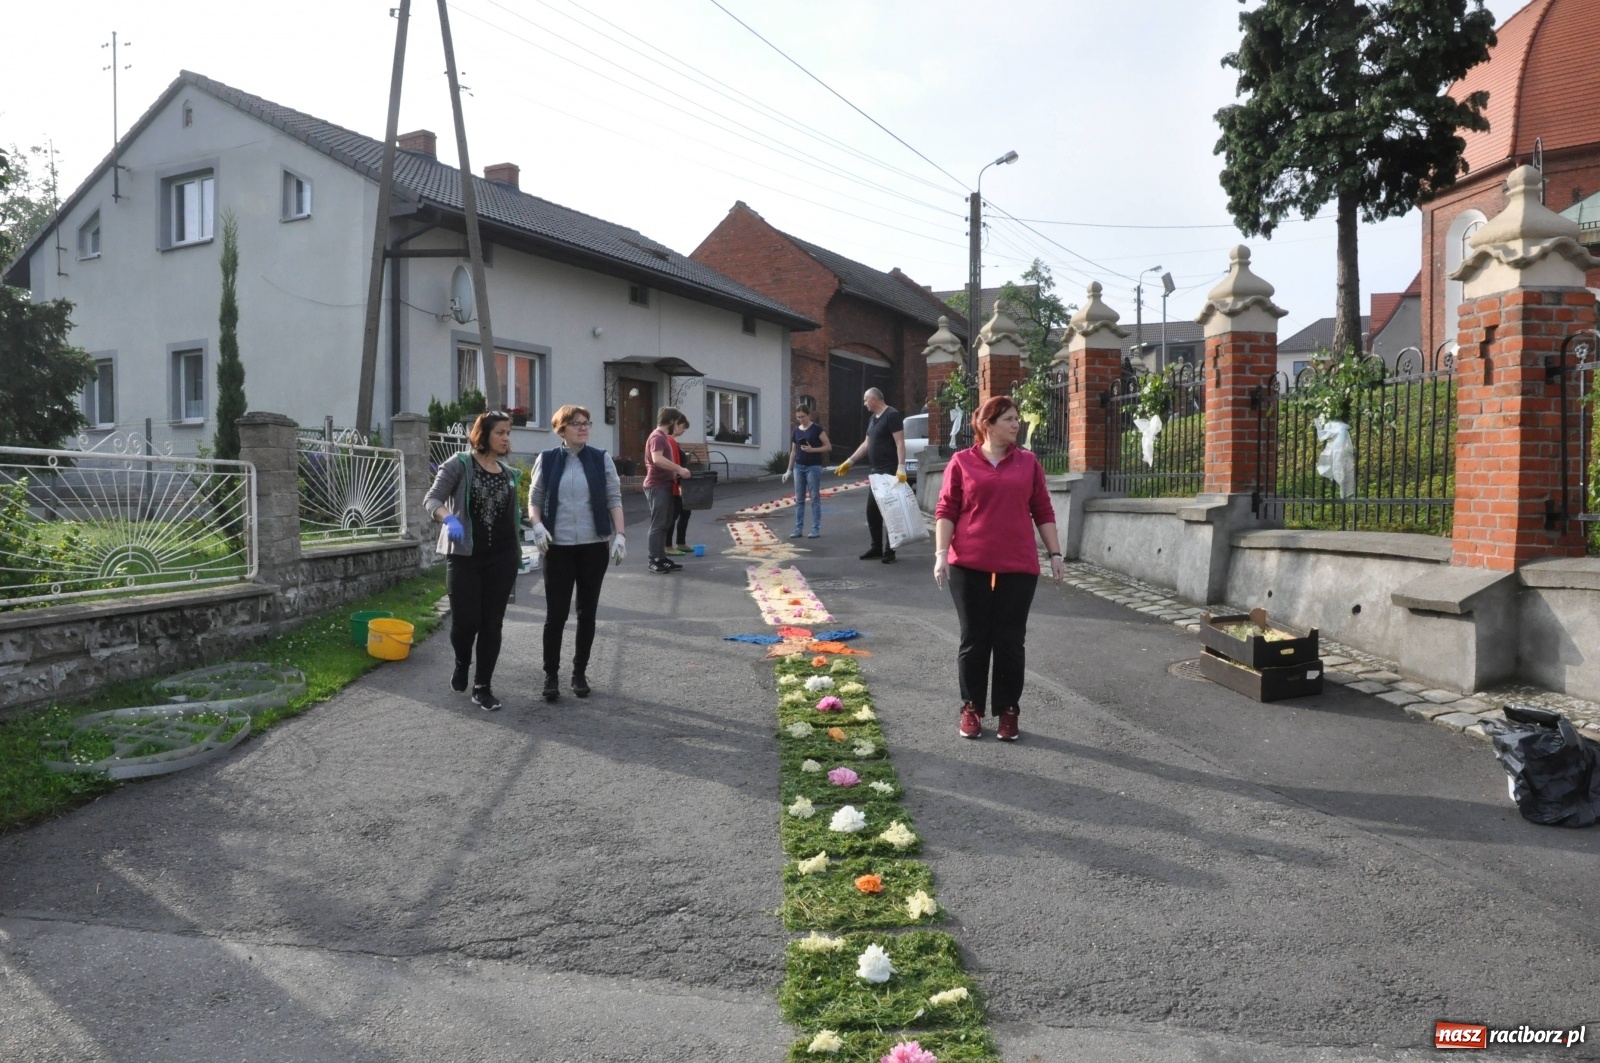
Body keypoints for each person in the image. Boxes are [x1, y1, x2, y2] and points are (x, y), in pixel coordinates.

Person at [932, 395, 1066, 742]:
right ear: (987, 424)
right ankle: (971, 708)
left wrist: (1055, 554)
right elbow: (946, 509)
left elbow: (1043, 509)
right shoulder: (962, 462)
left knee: (1010, 641)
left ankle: (1008, 711)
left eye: (1017, 418)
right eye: (1008, 418)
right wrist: (940, 553)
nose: (1015, 424)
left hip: (1018, 565)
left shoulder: (1028, 463)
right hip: (969, 564)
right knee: (974, 638)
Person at [423, 411, 524, 712]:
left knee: (492, 623)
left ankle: (483, 687)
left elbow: (511, 518)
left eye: (508, 433)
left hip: (501, 558)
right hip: (465, 556)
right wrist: (448, 518)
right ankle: (462, 660)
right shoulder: (460, 464)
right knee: (466, 622)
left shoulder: (508, 474)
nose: (506, 438)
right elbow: (432, 500)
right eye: (500, 433)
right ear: (483, 435)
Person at [527, 404, 626, 702]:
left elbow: (613, 497)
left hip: (593, 547)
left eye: (586, 423)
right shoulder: (546, 459)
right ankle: (551, 675)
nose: (583, 428)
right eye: (576, 423)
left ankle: (579, 672)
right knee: (555, 614)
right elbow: (535, 498)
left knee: (587, 613)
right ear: (562, 429)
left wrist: (620, 534)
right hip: (557, 548)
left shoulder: (600, 459)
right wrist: (537, 526)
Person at [833, 388, 907, 563]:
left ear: (874, 399)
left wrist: (901, 467)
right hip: (876, 472)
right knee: (872, 511)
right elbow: (867, 444)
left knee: (890, 511)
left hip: (889, 471)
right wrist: (849, 461)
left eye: (866, 400)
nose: (864, 403)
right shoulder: (873, 419)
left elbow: (900, 443)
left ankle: (890, 551)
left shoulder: (892, 415)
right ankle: (876, 548)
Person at [642, 406, 692, 574]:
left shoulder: (663, 437)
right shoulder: (657, 436)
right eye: (677, 423)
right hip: (657, 485)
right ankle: (653, 559)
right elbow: (657, 459)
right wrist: (679, 469)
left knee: (665, 523)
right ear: (671, 421)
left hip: (665, 485)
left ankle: (661, 557)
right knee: (658, 524)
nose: (677, 427)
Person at [783, 403, 830, 538]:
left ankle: (815, 528)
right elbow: (793, 451)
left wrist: (812, 450)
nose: (801, 419)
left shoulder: (817, 429)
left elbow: (828, 446)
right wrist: (788, 470)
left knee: (814, 497)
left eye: (803, 416)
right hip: (799, 467)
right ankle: (798, 528)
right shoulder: (796, 431)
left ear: (808, 415)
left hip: (813, 467)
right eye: (798, 417)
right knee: (799, 499)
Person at [666, 413, 696, 556]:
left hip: (681, 482)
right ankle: (667, 545)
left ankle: (681, 542)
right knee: (673, 514)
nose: (683, 430)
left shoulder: (674, 441)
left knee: (685, 512)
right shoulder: (669, 441)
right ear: (675, 425)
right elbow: (673, 462)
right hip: (675, 483)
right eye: (683, 427)